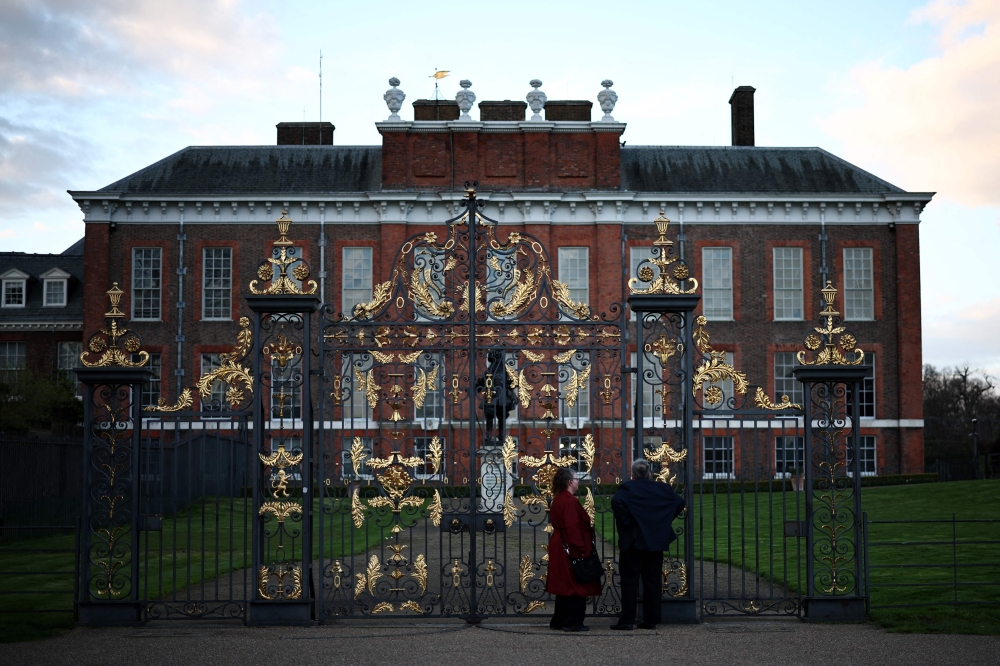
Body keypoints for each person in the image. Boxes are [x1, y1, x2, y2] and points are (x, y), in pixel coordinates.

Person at [610, 458, 686, 630]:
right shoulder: (662, 488)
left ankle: (627, 620)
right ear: (650, 474)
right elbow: (680, 502)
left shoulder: (628, 488)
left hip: (634, 542)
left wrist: (628, 524)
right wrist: (662, 522)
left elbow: (616, 502)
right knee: (652, 581)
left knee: (630, 581)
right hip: (655, 541)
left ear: (633, 474)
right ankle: (651, 620)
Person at [546, 467, 602, 632]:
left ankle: (559, 620)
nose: (578, 481)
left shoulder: (559, 499)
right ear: (570, 482)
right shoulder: (569, 501)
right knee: (577, 584)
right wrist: (582, 549)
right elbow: (573, 527)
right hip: (570, 546)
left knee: (565, 584)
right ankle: (573, 621)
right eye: (576, 479)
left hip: (561, 545)